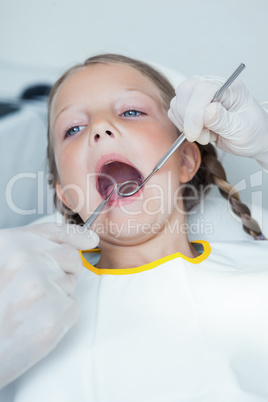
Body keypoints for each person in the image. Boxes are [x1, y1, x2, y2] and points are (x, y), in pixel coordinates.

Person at [0, 54, 268, 401]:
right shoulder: (21, 304)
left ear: (185, 159)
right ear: (65, 195)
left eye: (130, 111)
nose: (100, 128)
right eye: (73, 129)